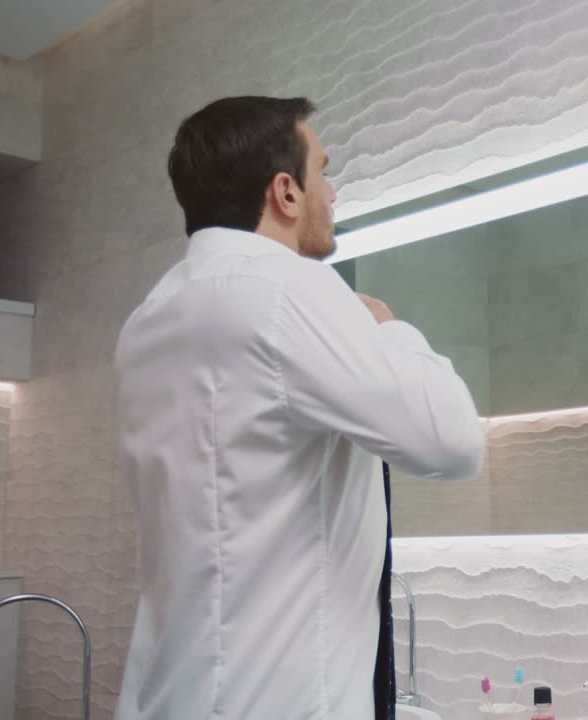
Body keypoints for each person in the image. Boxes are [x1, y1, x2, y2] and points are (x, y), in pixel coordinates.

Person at [112, 96, 484, 720]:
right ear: (285, 192)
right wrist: (387, 327)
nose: (332, 191)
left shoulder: (147, 321)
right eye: (324, 170)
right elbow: (453, 443)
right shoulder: (288, 289)